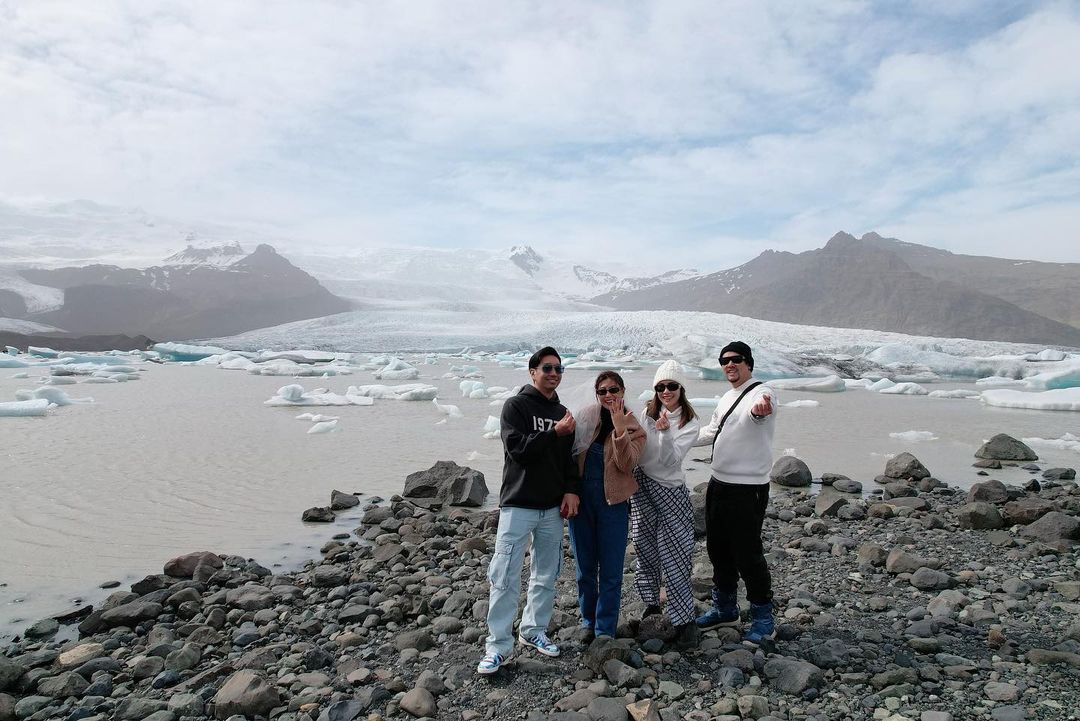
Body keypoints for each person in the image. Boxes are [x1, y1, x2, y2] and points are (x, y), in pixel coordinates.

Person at [478, 346, 581, 675]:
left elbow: (568, 460)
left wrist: (571, 490)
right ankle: (497, 646)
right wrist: (553, 433)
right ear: (532, 372)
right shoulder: (516, 406)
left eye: (558, 369)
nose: (553, 374)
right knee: (505, 576)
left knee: (545, 574)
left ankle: (533, 631)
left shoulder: (563, 412)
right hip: (518, 504)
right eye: (547, 368)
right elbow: (518, 449)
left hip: (551, 507)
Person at [693, 341, 778, 643]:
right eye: (725, 360)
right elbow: (713, 430)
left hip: (748, 488)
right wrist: (676, 439)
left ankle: (763, 616)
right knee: (717, 548)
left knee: (748, 553)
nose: (730, 365)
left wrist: (760, 411)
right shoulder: (727, 396)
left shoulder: (761, 393)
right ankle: (725, 608)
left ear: (749, 364)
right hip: (719, 483)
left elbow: (760, 412)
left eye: (736, 360)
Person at [568, 370, 645, 641]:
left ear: (623, 391)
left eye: (614, 390)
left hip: (614, 504)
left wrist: (620, 429)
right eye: (603, 391)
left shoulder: (635, 426)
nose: (609, 395)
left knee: (611, 571)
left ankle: (605, 630)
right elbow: (569, 456)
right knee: (584, 568)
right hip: (582, 502)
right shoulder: (586, 417)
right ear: (597, 394)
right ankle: (589, 620)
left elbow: (627, 464)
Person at [631, 360, 701, 647]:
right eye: (660, 386)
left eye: (671, 386)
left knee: (675, 552)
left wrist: (664, 433)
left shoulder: (689, 422)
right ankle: (650, 603)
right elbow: (635, 446)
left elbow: (670, 460)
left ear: (681, 388)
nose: (666, 391)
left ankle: (684, 619)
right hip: (642, 483)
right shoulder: (646, 412)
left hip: (670, 489)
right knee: (643, 544)